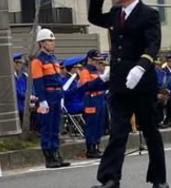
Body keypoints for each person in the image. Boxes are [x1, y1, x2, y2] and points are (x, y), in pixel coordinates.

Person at [87, 0, 168, 188]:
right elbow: (95, 18)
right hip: (119, 83)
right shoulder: (116, 13)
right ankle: (111, 180)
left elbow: (153, 45)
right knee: (118, 131)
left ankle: (159, 180)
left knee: (150, 131)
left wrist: (141, 66)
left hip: (141, 82)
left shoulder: (149, 14)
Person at [32, 28, 70, 169]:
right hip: (47, 95)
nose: (52, 43)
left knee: (55, 127)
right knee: (47, 127)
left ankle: (56, 154)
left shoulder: (53, 58)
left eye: (52, 41)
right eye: (49, 41)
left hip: (57, 94)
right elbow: (38, 82)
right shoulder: (37, 61)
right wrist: (42, 100)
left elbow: (58, 79)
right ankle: (49, 157)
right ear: (41, 43)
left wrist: (61, 96)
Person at [77, 50, 108, 158]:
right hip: (91, 98)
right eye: (95, 60)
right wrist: (100, 79)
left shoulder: (96, 71)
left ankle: (96, 146)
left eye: (98, 60)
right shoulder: (85, 71)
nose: (97, 62)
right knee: (92, 124)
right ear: (89, 59)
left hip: (99, 97)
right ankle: (90, 148)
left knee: (100, 123)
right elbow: (87, 86)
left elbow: (100, 85)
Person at [13, 53, 27, 118]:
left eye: (21, 63)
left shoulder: (22, 77)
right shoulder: (11, 77)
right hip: (15, 108)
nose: (20, 65)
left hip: (23, 107)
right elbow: (17, 92)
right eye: (19, 63)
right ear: (13, 63)